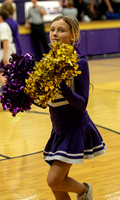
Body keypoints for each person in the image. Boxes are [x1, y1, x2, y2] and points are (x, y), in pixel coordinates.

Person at [42, 16, 106, 200]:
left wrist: (61, 86)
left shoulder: (80, 62)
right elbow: (47, 100)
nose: (55, 33)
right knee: (57, 184)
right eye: (52, 29)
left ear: (73, 36)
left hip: (75, 127)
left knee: (54, 180)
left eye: (61, 30)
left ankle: (84, 191)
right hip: (58, 129)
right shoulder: (48, 61)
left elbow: (81, 103)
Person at [0, 9, 16, 86]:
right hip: (4, 51)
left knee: (0, 74)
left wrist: (4, 56)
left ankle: (9, 93)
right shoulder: (1, 26)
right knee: (5, 74)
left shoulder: (2, 26)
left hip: (5, 51)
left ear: (0, 17)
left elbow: (5, 40)